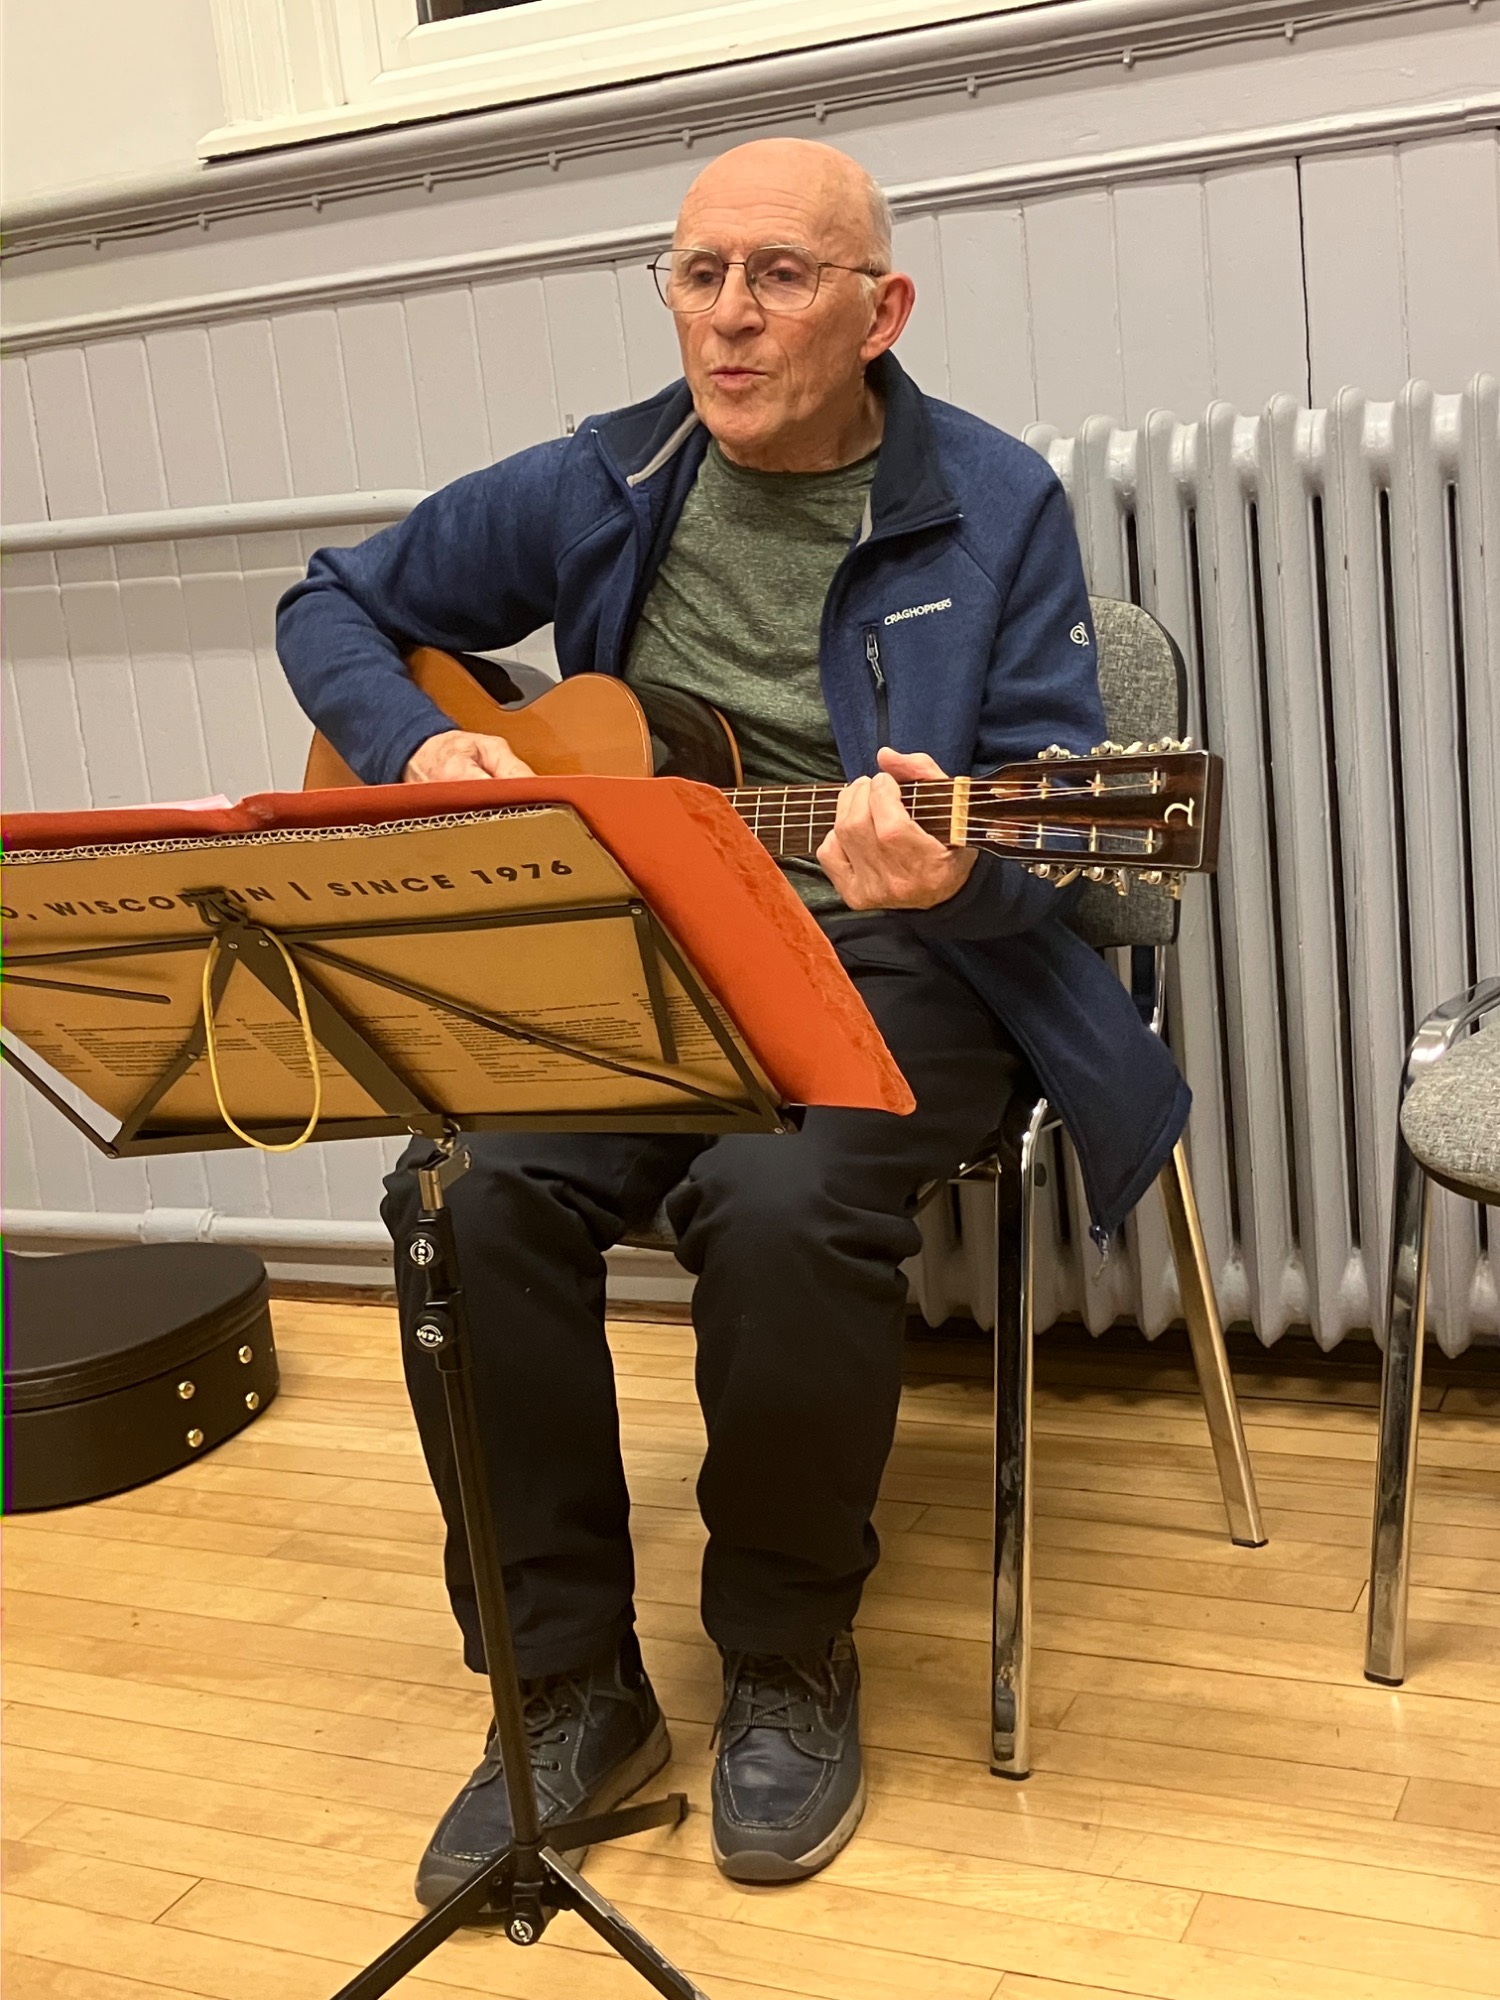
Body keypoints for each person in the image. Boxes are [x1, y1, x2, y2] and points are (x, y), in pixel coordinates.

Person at [277, 138, 1188, 1898]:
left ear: (879, 310)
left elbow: (1056, 859)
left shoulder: (994, 503)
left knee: (778, 1203)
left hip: (904, 958)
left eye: (779, 275)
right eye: (699, 274)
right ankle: (568, 1693)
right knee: (463, 1196)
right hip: (639, 953)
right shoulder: (612, 474)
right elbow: (333, 599)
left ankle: (785, 1654)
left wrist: (952, 871)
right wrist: (418, 746)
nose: (729, 316)